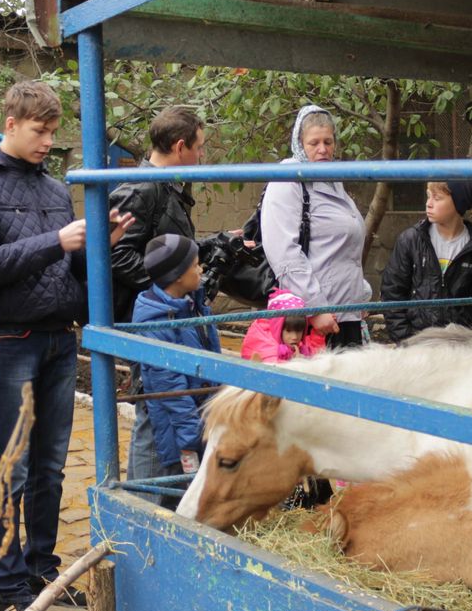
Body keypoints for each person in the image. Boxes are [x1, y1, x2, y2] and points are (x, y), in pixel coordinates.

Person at [0, 81, 133, 611]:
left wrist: (101, 242)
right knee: (12, 467)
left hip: (59, 336)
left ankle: (42, 574)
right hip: (10, 340)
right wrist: (59, 240)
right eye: (39, 131)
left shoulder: (55, 188)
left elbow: (68, 269)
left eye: (54, 132)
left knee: (51, 468)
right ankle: (8, 592)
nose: (48, 142)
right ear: (10, 122)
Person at [108, 108, 204, 489]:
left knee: (162, 406)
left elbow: (163, 249)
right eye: (199, 148)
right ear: (180, 147)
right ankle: (142, 506)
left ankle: (159, 503)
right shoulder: (142, 188)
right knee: (154, 407)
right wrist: (165, 287)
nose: (202, 157)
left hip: (164, 316)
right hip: (150, 320)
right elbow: (116, 252)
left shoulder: (165, 188)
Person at [260, 105, 372, 350]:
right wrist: (316, 308)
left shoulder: (332, 180)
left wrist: (361, 295)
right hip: (315, 320)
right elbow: (284, 253)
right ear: (299, 144)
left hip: (346, 312)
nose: (323, 149)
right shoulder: (289, 179)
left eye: (328, 142)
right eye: (314, 143)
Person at [132, 234, 222, 484]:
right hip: (173, 427)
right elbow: (170, 387)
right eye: (195, 265)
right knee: (157, 493)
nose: (201, 269)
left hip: (194, 418)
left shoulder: (192, 304)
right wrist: (191, 438)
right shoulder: (157, 320)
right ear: (178, 275)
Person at [381, 181, 472, 343]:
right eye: (428, 196)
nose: (428, 204)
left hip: (461, 346)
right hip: (416, 342)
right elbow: (392, 293)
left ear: (459, 204)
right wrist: (406, 340)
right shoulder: (410, 240)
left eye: (437, 198)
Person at [240, 289, 325, 363]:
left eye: (299, 330)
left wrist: (319, 334)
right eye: (288, 331)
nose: (294, 337)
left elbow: (315, 349)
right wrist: (298, 363)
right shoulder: (267, 346)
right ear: (278, 328)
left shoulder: (302, 346)